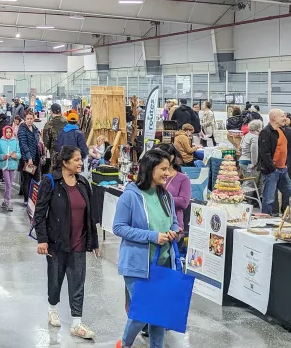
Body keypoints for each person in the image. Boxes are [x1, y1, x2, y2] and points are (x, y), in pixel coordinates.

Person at [113, 149, 180, 348]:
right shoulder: (130, 196)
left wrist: (174, 232)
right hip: (137, 265)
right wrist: (152, 237)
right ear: (150, 168)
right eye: (164, 169)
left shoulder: (166, 195)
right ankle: (124, 344)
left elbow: (174, 222)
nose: (168, 173)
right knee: (144, 313)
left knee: (160, 315)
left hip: (163, 264)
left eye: (169, 169)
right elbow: (119, 227)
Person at [34, 146, 99, 340]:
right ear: (65, 162)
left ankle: (77, 323)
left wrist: (93, 241)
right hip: (56, 242)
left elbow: (90, 215)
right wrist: (42, 239)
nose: (81, 163)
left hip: (79, 242)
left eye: (81, 159)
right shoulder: (50, 182)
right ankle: (52, 308)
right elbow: (40, 213)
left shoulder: (83, 183)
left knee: (77, 282)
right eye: (77, 160)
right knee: (55, 279)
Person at [258, 109, 291, 215]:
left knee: (290, 195)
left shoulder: (281, 130)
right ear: (274, 117)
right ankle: (265, 220)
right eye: (282, 116)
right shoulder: (265, 132)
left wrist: (285, 165)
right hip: (272, 171)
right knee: (269, 199)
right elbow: (264, 153)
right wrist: (272, 169)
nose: (285, 118)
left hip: (283, 169)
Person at [155, 144, 191, 232]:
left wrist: (158, 199)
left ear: (171, 158)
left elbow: (184, 202)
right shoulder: (154, 176)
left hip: (174, 225)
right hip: (154, 222)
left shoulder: (183, 179)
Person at [0, 125, 21, 211]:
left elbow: (19, 154)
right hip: (4, 166)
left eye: (10, 132)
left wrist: (15, 156)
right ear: (4, 133)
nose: (9, 134)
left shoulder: (15, 142)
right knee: (8, 184)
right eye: (7, 132)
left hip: (12, 165)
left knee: (8, 184)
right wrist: (5, 156)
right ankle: (9, 201)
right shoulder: (0, 142)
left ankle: (5, 200)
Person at [18, 112, 41, 204]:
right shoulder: (22, 129)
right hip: (27, 159)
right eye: (28, 118)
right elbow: (23, 144)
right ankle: (27, 200)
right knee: (27, 180)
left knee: (36, 179)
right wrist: (29, 158)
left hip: (36, 158)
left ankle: (34, 198)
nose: (29, 120)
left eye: (31, 118)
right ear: (25, 119)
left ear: (34, 119)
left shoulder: (35, 128)